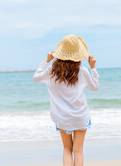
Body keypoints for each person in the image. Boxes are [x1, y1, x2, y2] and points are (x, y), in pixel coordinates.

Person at [33, 34, 99, 166]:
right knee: (78, 151)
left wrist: (46, 61)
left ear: (60, 52)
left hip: (61, 116)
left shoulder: (52, 71)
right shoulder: (82, 71)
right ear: (78, 54)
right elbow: (95, 87)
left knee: (67, 149)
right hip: (80, 115)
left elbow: (36, 78)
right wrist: (93, 67)